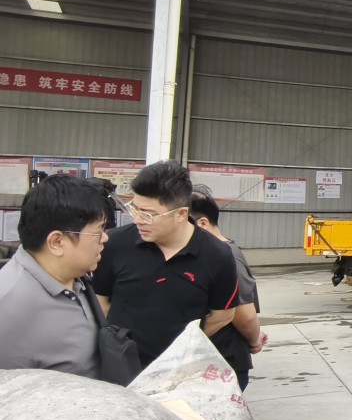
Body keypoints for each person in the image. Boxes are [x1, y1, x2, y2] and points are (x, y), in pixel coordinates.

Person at [92, 161, 239, 368]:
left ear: (181, 214)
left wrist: (180, 348)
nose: (137, 220)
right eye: (134, 209)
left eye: (148, 214)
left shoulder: (217, 255)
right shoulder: (114, 244)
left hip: (179, 370)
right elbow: (101, 302)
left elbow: (222, 315)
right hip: (122, 367)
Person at [0, 175, 108, 378]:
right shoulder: (9, 307)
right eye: (98, 231)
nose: (105, 238)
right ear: (57, 242)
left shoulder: (74, 278)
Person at [190, 191, 266, 391]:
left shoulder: (226, 257)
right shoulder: (206, 253)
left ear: (202, 224)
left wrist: (254, 340)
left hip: (223, 361)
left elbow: (245, 315)